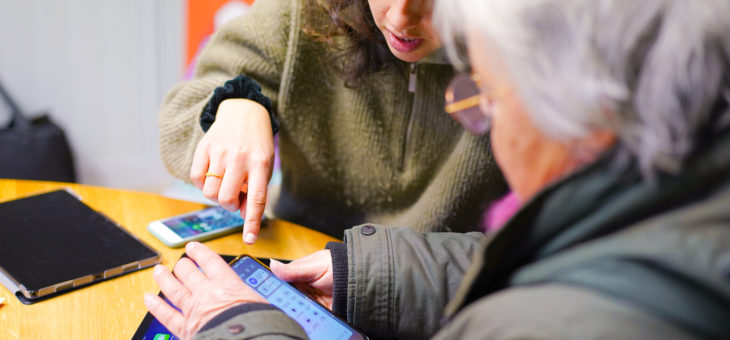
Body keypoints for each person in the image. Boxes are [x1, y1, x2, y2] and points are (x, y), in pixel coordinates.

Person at [146, 0, 730, 339]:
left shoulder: (525, 320)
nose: (402, 15)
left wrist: (242, 326)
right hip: (345, 278)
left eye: (488, 98)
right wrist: (237, 103)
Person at [158, 0, 506, 243]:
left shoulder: (521, 51)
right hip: (299, 255)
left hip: (440, 290)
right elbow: (181, 115)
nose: (401, 19)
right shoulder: (303, 12)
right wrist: (234, 104)